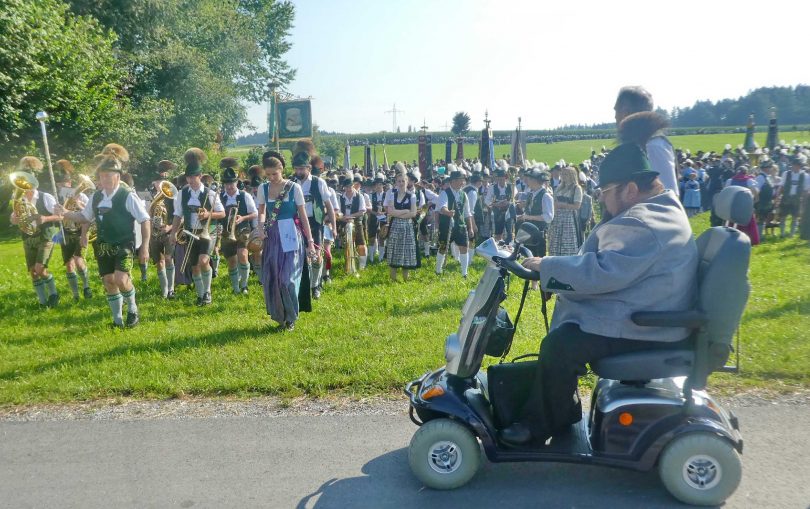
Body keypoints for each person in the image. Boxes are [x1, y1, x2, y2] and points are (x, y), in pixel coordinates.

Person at [500, 112, 697, 446]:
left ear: (630, 189)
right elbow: (611, 268)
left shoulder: (645, 222)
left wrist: (547, 267)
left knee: (561, 346)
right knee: (566, 334)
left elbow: (603, 271)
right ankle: (562, 409)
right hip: (648, 313)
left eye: (606, 191)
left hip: (649, 326)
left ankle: (540, 424)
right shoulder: (661, 209)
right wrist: (556, 273)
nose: (602, 198)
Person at [59, 146, 151, 327]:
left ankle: (133, 309)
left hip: (124, 243)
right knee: (108, 281)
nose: (105, 179)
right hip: (102, 245)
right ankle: (117, 321)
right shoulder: (96, 197)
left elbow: (145, 220)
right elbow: (84, 217)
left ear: (117, 176)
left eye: (108, 175)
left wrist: (145, 247)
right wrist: (65, 212)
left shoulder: (127, 196)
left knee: (121, 279)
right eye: (102, 175)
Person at [256, 155, 315, 330]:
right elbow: (261, 211)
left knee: (287, 279)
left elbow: (303, 216)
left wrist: (310, 241)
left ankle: (291, 317)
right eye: (268, 175)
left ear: (281, 169)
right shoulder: (263, 188)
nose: (271, 178)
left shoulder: (294, 188)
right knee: (273, 278)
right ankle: (280, 316)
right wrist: (260, 227)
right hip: (272, 236)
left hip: (291, 235)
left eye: (274, 174)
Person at [170, 148, 225, 306]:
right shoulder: (183, 193)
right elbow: (177, 214)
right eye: (188, 177)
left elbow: (222, 213)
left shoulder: (210, 193)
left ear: (200, 176)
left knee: (203, 261)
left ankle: (207, 292)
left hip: (207, 232)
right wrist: (173, 233)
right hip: (190, 232)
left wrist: (208, 214)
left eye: (193, 177)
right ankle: (200, 295)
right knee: (194, 266)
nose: (190, 180)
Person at [9, 157, 62, 308]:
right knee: (33, 272)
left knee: (40, 269)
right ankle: (42, 302)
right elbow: (14, 219)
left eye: (26, 183)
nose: (24, 187)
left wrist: (45, 218)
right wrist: (14, 218)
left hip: (46, 236)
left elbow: (60, 216)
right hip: (28, 236)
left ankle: (54, 294)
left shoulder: (45, 197)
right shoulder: (18, 199)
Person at [613, 86, 678, 193]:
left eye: (616, 111)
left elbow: (668, 194)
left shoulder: (653, 146)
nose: (615, 117)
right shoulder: (640, 144)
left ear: (625, 112)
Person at [291, 144, 335, 299]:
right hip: (297, 223)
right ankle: (305, 285)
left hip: (315, 222)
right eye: (296, 169)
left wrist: (334, 227)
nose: (298, 172)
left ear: (308, 168)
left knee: (316, 255)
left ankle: (315, 285)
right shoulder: (291, 183)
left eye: (301, 169)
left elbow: (329, 205)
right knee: (302, 256)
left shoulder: (318, 182)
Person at [55, 159, 93, 302]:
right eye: (59, 185)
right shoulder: (58, 197)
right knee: (69, 264)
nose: (61, 187)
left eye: (63, 184)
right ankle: (76, 294)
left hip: (79, 231)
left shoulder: (82, 196)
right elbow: (56, 215)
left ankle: (86, 286)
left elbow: (89, 215)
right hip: (65, 231)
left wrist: (78, 204)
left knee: (78, 260)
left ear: (70, 183)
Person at [219, 161, 257, 295]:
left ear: (236, 182)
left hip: (243, 229)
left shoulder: (245, 195)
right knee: (231, 261)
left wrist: (243, 218)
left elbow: (255, 213)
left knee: (243, 255)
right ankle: (235, 287)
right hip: (226, 231)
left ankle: (244, 285)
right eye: (227, 184)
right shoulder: (220, 197)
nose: (229, 186)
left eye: (232, 183)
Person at [435, 170, 474, 277]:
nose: (462, 183)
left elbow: (467, 213)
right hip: (446, 226)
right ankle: (438, 270)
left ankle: (464, 273)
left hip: (461, 225)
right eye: (460, 180)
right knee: (443, 248)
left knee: (464, 247)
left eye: (463, 180)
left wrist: (470, 228)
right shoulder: (444, 193)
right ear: (453, 181)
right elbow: (442, 208)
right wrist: (448, 212)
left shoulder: (464, 194)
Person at [150, 160, 179, 299]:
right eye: (158, 182)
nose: (159, 185)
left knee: (168, 259)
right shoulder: (150, 196)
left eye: (162, 182)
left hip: (168, 232)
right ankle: (164, 290)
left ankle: (171, 289)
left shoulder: (172, 197)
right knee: (159, 262)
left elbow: (180, 216)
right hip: (154, 233)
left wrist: (170, 227)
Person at [384, 172, 418, 281]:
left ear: (407, 182)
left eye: (403, 181)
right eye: (399, 181)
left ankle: (405, 278)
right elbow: (390, 212)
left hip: (407, 226)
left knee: (406, 250)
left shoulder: (412, 195)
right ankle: (393, 278)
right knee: (394, 249)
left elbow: (413, 213)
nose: (401, 183)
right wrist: (405, 211)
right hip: (395, 225)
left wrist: (397, 213)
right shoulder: (392, 195)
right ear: (396, 182)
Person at [516, 168, 554, 257]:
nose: (527, 181)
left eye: (529, 179)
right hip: (528, 232)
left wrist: (528, 217)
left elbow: (548, 217)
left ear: (535, 181)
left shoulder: (546, 196)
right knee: (527, 257)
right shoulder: (531, 194)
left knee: (538, 259)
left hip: (539, 233)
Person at [547, 166, 583, 256]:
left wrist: (562, 205)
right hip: (557, 217)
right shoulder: (559, 187)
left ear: (571, 175)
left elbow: (577, 206)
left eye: (565, 174)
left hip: (568, 219)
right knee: (555, 240)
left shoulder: (576, 188)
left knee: (567, 240)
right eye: (562, 174)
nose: (563, 176)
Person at [778, 155, 806, 237]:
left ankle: (792, 234)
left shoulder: (805, 175)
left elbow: (805, 189)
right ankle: (782, 233)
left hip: (797, 199)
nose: (795, 167)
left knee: (795, 217)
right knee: (783, 216)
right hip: (786, 197)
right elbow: (781, 186)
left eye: (797, 165)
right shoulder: (786, 174)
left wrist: (803, 200)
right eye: (794, 165)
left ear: (800, 166)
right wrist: (777, 197)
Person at [485, 168, 515, 242]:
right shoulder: (492, 187)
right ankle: (498, 245)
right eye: (499, 179)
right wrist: (496, 204)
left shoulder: (511, 186)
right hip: (497, 212)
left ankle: (509, 245)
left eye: (502, 178)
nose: (501, 180)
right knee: (498, 233)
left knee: (510, 233)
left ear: (505, 178)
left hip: (508, 212)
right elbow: (487, 200)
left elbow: (514, 199)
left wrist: (508, 203)